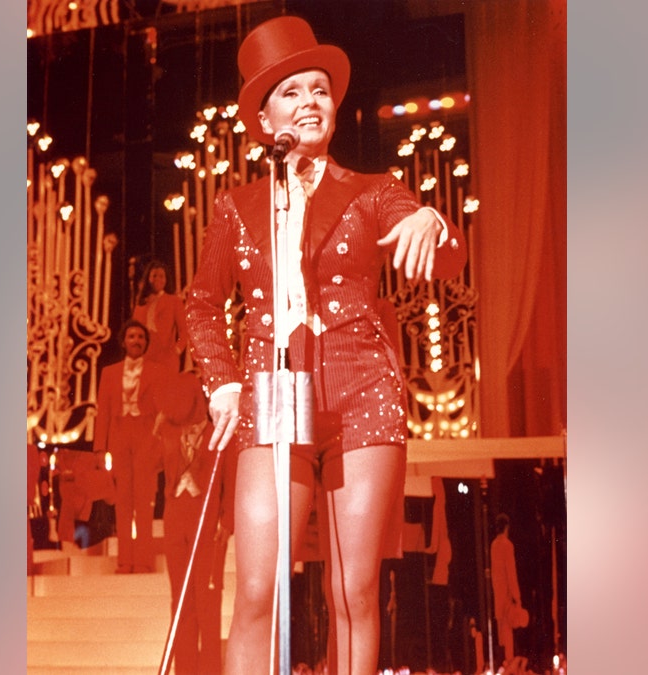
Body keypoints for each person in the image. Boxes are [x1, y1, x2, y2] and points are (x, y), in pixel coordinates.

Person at [184, 15, 467, 674]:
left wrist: (435, 220)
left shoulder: (374, 192)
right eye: (292, 91)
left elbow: (444, 260)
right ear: (263, 117)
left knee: (352, 589)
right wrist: (223, 380)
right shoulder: (236, 207)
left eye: (320, 89)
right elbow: (201, 303)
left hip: (362, 384)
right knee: (257, 589)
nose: (310, 100)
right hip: (273, 385)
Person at [156, 368, 233, 675]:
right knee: (181, 600)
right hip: (176, 520)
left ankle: (211, 670)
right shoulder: (169, 432)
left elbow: (231, 482)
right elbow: (151, 466)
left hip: (208, 521)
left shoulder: (221, 432)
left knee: (207, 601)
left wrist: (226, 524)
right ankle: (185, 670)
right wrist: (156, 429)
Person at [93, 319, 169, 573]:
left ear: (146, 342)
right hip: (119, 436)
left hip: (147, 436)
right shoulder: (109, 372)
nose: (136, 341)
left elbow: (163, 411)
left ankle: (144, 560)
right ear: (123, 341)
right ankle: (125, 560)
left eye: (141, 337)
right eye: (132, 337)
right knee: (123, 500)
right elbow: (102, 412)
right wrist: (99, 448)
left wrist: (161, 444)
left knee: (144, 500)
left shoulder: (158, 371)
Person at [132, 260, 187, 372]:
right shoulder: (141, 304)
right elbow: (134, 331)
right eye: (154, 276)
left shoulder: (174, 301)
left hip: (166, 355)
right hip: (145, 355)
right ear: (148, 278)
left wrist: (177, 350)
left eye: (161, 276)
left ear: (166, 280)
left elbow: (184, 330)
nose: (157, 279)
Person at [489, 513, 524, 670]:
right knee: (508, 634)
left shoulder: (493, 545)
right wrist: (517, 596)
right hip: (508, 596)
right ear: (507, 527)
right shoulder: (507, 545)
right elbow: (511, 573)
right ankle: (509, 667)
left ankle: (501, 665)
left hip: (498, 594)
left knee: (501, 635)